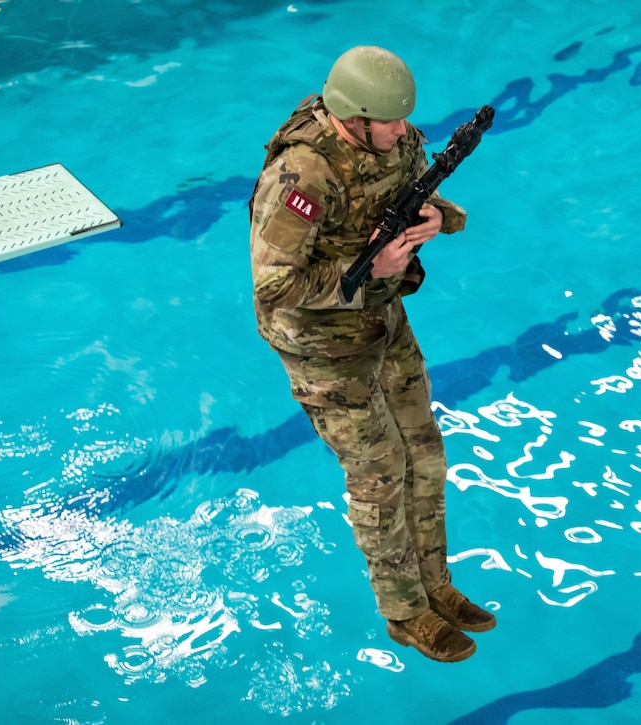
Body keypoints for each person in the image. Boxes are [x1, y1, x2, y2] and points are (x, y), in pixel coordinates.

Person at [248, 46, 494, 663]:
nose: (405, 132)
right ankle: (404, 610)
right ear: (354, 118)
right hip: (322, 347)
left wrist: (439, 217)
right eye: (390, 123)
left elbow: (413, 199)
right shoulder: (301, 176)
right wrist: (364, 271)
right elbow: (273, 287)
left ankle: (434, 584)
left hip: (383, 319)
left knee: (425, 456)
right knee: (380, 473)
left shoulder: (396, 138)